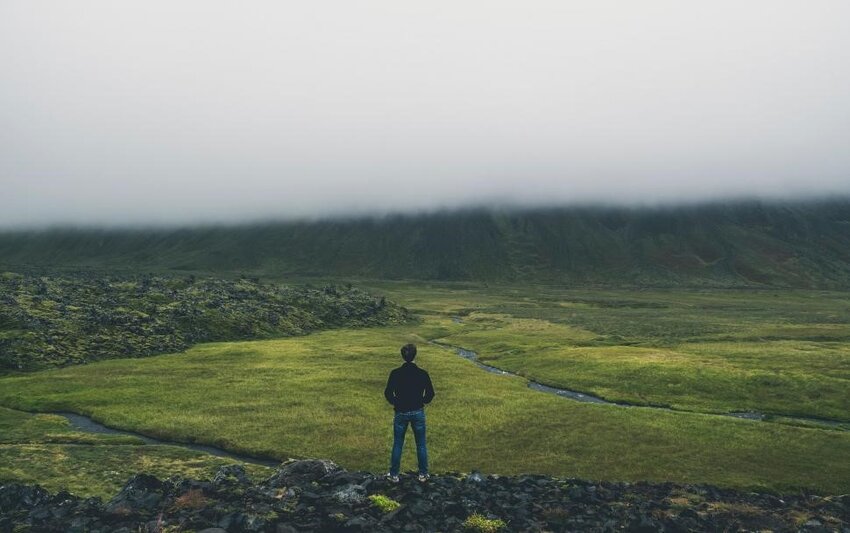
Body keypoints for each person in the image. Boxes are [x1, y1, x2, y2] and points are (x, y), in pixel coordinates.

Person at [384, 343, 435, 482]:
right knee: (421, 444)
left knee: (398, 443)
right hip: (418, 411)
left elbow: (388, 393)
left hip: (401, 412)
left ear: (402, 356)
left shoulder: (395, 373)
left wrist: (396, 402)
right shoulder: (422, 373)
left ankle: (394, 474)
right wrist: (422, 401)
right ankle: (423, 474)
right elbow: (430, 393)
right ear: (415, 355)